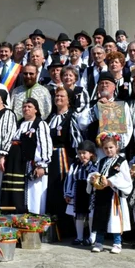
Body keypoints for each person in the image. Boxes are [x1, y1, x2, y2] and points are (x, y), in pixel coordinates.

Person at [0, 98, 53, 214]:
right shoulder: (19, 123)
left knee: (33, 192)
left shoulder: (40, 124)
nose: (26, 109)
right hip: (15, 164)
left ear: (36, 110)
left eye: (29, 107)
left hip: (31, 164)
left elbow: (44, 144)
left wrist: (42, 165)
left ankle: (34, 215)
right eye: (24, 107)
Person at [86, 134, 132, 254]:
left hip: (114, 196)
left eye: (111, 147)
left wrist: (110, 182)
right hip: (102, 194)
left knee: (115, 219)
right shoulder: (101, 161)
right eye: (106, 148)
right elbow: (96, 173)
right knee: (100, 218)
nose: (108, 150)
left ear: (116, 147)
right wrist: (92, 179)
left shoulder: (122, 162)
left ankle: (117, 243)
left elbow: (125, 178)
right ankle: (99, 242)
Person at [46, 86, 83, 234]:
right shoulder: (50, 117)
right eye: (57, 96)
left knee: (63, 189)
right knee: (51, 190)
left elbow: (76, 140)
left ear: (69, 99)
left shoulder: (71, 116)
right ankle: (53, 227)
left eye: (62, 96)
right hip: (50, 157)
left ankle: (65, 228)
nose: (58, 99)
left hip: (63, 157)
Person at [64, 140, 97, 246]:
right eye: (79, 153)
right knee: (79, 214)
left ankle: (92, 237)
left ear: (91, 153)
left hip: (91, 191)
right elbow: (69, 179)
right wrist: (68, 193)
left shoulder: (95, 165)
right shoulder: (75, 166)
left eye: (84, 153)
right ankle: (79, 237)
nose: (82, 156)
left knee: (91, 214)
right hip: (78, 191)